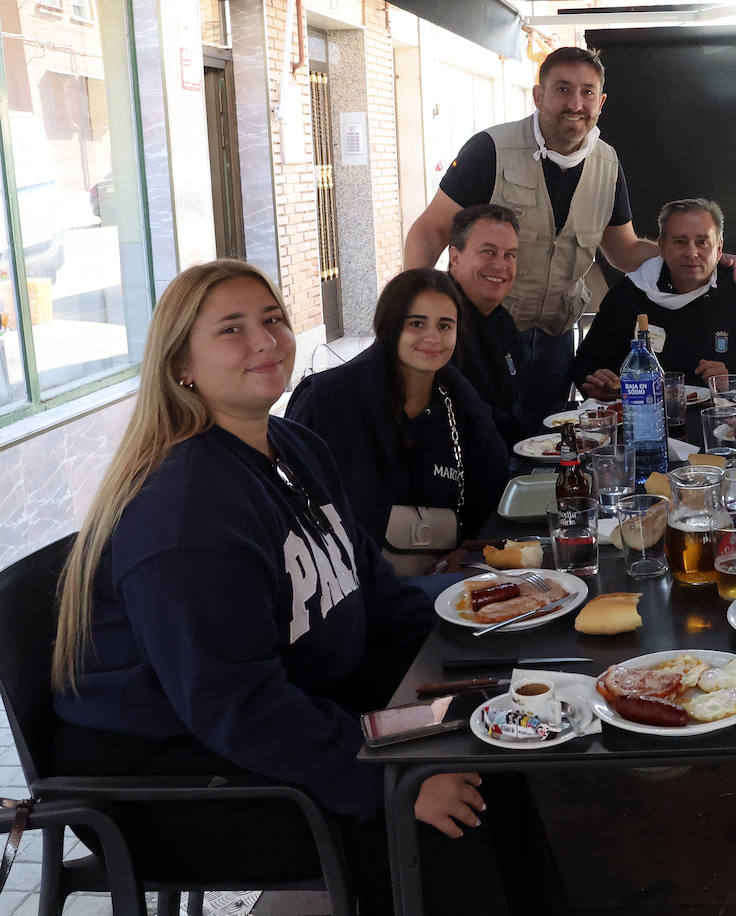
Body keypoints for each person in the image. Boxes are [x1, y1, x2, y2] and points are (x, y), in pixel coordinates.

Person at [49, 260, 564, 916]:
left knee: (490, 735)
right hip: (178, 784)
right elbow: (238, 705)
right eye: (231, 330)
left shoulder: (293, 446)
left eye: (272, 320)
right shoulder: (184, 515)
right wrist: (381, 777)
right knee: (439, 810)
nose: (264, 341)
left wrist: (501, 604)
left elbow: (370, 591)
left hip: (282, 719)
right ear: (182, 366)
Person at [402, 47, 736, 425]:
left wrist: (701, 257)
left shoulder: (608, 163)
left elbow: (624, 250)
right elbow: (431, 228)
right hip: (483, 330)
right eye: (562, 89)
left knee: (544, 441)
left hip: (556, 336)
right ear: (538, 96)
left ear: (600, 102)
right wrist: (411, 306)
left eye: (586, 93)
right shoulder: (490, 150)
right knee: (477, 436)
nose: (575, 104)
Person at [285, 268, 508, 572]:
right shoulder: (326, 401)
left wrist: (466, 549)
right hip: (351, 586)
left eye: (445, 325)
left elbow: (492, 478)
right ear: (389, 327)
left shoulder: (462, 403)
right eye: (416, 323)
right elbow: (294, 507)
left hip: (440, 584)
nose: (433, 337)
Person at [570, 198, 736, 397]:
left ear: (719, 248)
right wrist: (597, 383)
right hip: (639, 422)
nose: (691, 252)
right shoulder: (628, 295)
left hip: (722, 424)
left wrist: (731, 384)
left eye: (702, 242)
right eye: (680, 242)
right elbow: (586, 365)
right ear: (661, 246)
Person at [440, 203, 527, 447]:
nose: (501, 265)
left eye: (509, 255)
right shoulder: (438, 324)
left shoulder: (502, 321)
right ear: (455, 258)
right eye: (488, 252)